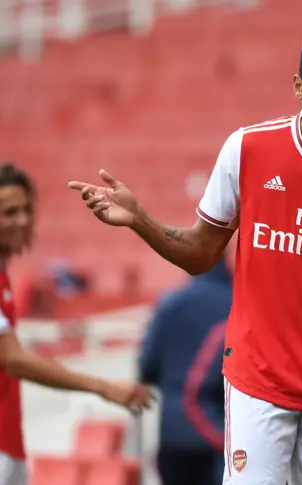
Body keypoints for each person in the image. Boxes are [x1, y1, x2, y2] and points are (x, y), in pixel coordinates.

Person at [69, 17, 302, 485]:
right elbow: (203, 252)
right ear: (297, 84)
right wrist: (140, 219)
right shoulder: (248, 149)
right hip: (258, 384)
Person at [0, 162, 154, 485]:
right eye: (10, 212)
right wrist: (104, 387)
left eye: (26, 210)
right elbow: (12, 359)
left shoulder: (5, 279)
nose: (23, 220)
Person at [139, 239, 235, 485]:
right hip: (220, 439)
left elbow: (146, 367)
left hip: (171, 439)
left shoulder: (170, 303)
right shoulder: (237, 304)